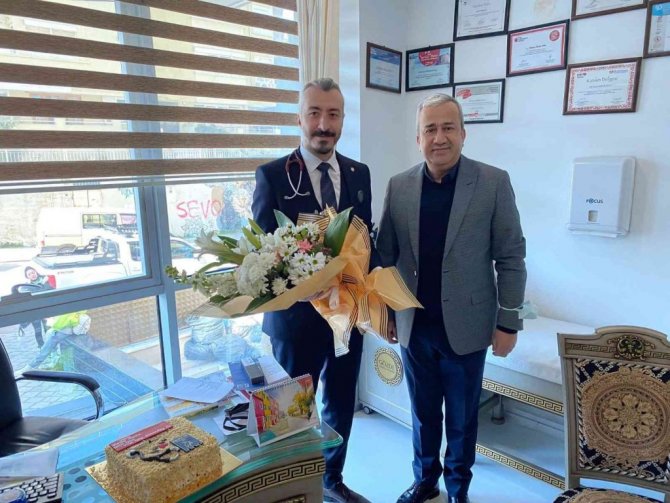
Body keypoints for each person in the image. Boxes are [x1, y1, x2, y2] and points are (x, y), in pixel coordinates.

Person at [376, 93, 527, 503]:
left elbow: (511, 258)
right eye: (430, 129)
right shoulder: (399, 186)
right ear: (418, 138)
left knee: (461, 420)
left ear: (463, 133)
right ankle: (425, 481)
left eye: (448, 128)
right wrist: (385, 312)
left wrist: (508, 321)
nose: (439, 137)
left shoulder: (493, 182)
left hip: (467, 327)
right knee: (423, 414)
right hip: (415, 326)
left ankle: (459, 490)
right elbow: (385, 256)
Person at [252, 78, 374, 503]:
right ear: (299, 119)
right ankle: (289, 492)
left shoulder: (359, 173)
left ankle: (331, 481)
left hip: (346, 318)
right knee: (292, 413)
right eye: (315, 114)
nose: (324, 124)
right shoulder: (272, 175)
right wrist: (296, 286)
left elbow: (365, 242)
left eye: (333, 114)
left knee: (340, 405)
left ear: (342, 119)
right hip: (295, 322)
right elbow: (262, 254)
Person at [17, 266, 53, 348]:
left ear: (36, 272)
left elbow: (49, 291)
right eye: (29, 274)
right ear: (27, 276)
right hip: (35, 312)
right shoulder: (26, 286)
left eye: (33, 272)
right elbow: (34, 292)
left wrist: (44, 283)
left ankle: (51, 346)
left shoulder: (46, 280)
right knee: (38, 331)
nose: (32, 275)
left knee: (48, 329)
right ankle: (41, 346)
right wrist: (42, 283)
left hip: (45, 310)